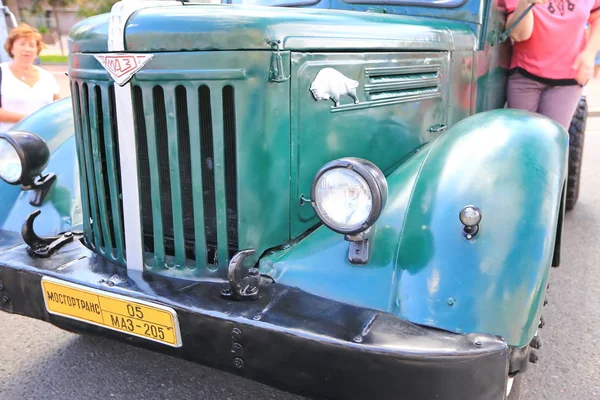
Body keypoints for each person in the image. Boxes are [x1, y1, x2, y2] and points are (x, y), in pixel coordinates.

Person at [504, 0, 600, 129]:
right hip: (525, 76)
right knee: (521, 139)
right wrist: (525, 4)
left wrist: (590, 53)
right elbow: (520, 35)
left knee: (553, 142)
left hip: (568, 78)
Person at [0, 23, 60, 132]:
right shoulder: (2, 72)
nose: (27, 49)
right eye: (22, 44)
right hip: (9, 143)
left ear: (37, 51)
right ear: (11, 48)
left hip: (44, 140)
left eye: (32, 45)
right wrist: (30, 119)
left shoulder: (47, 77)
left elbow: (58, 109)